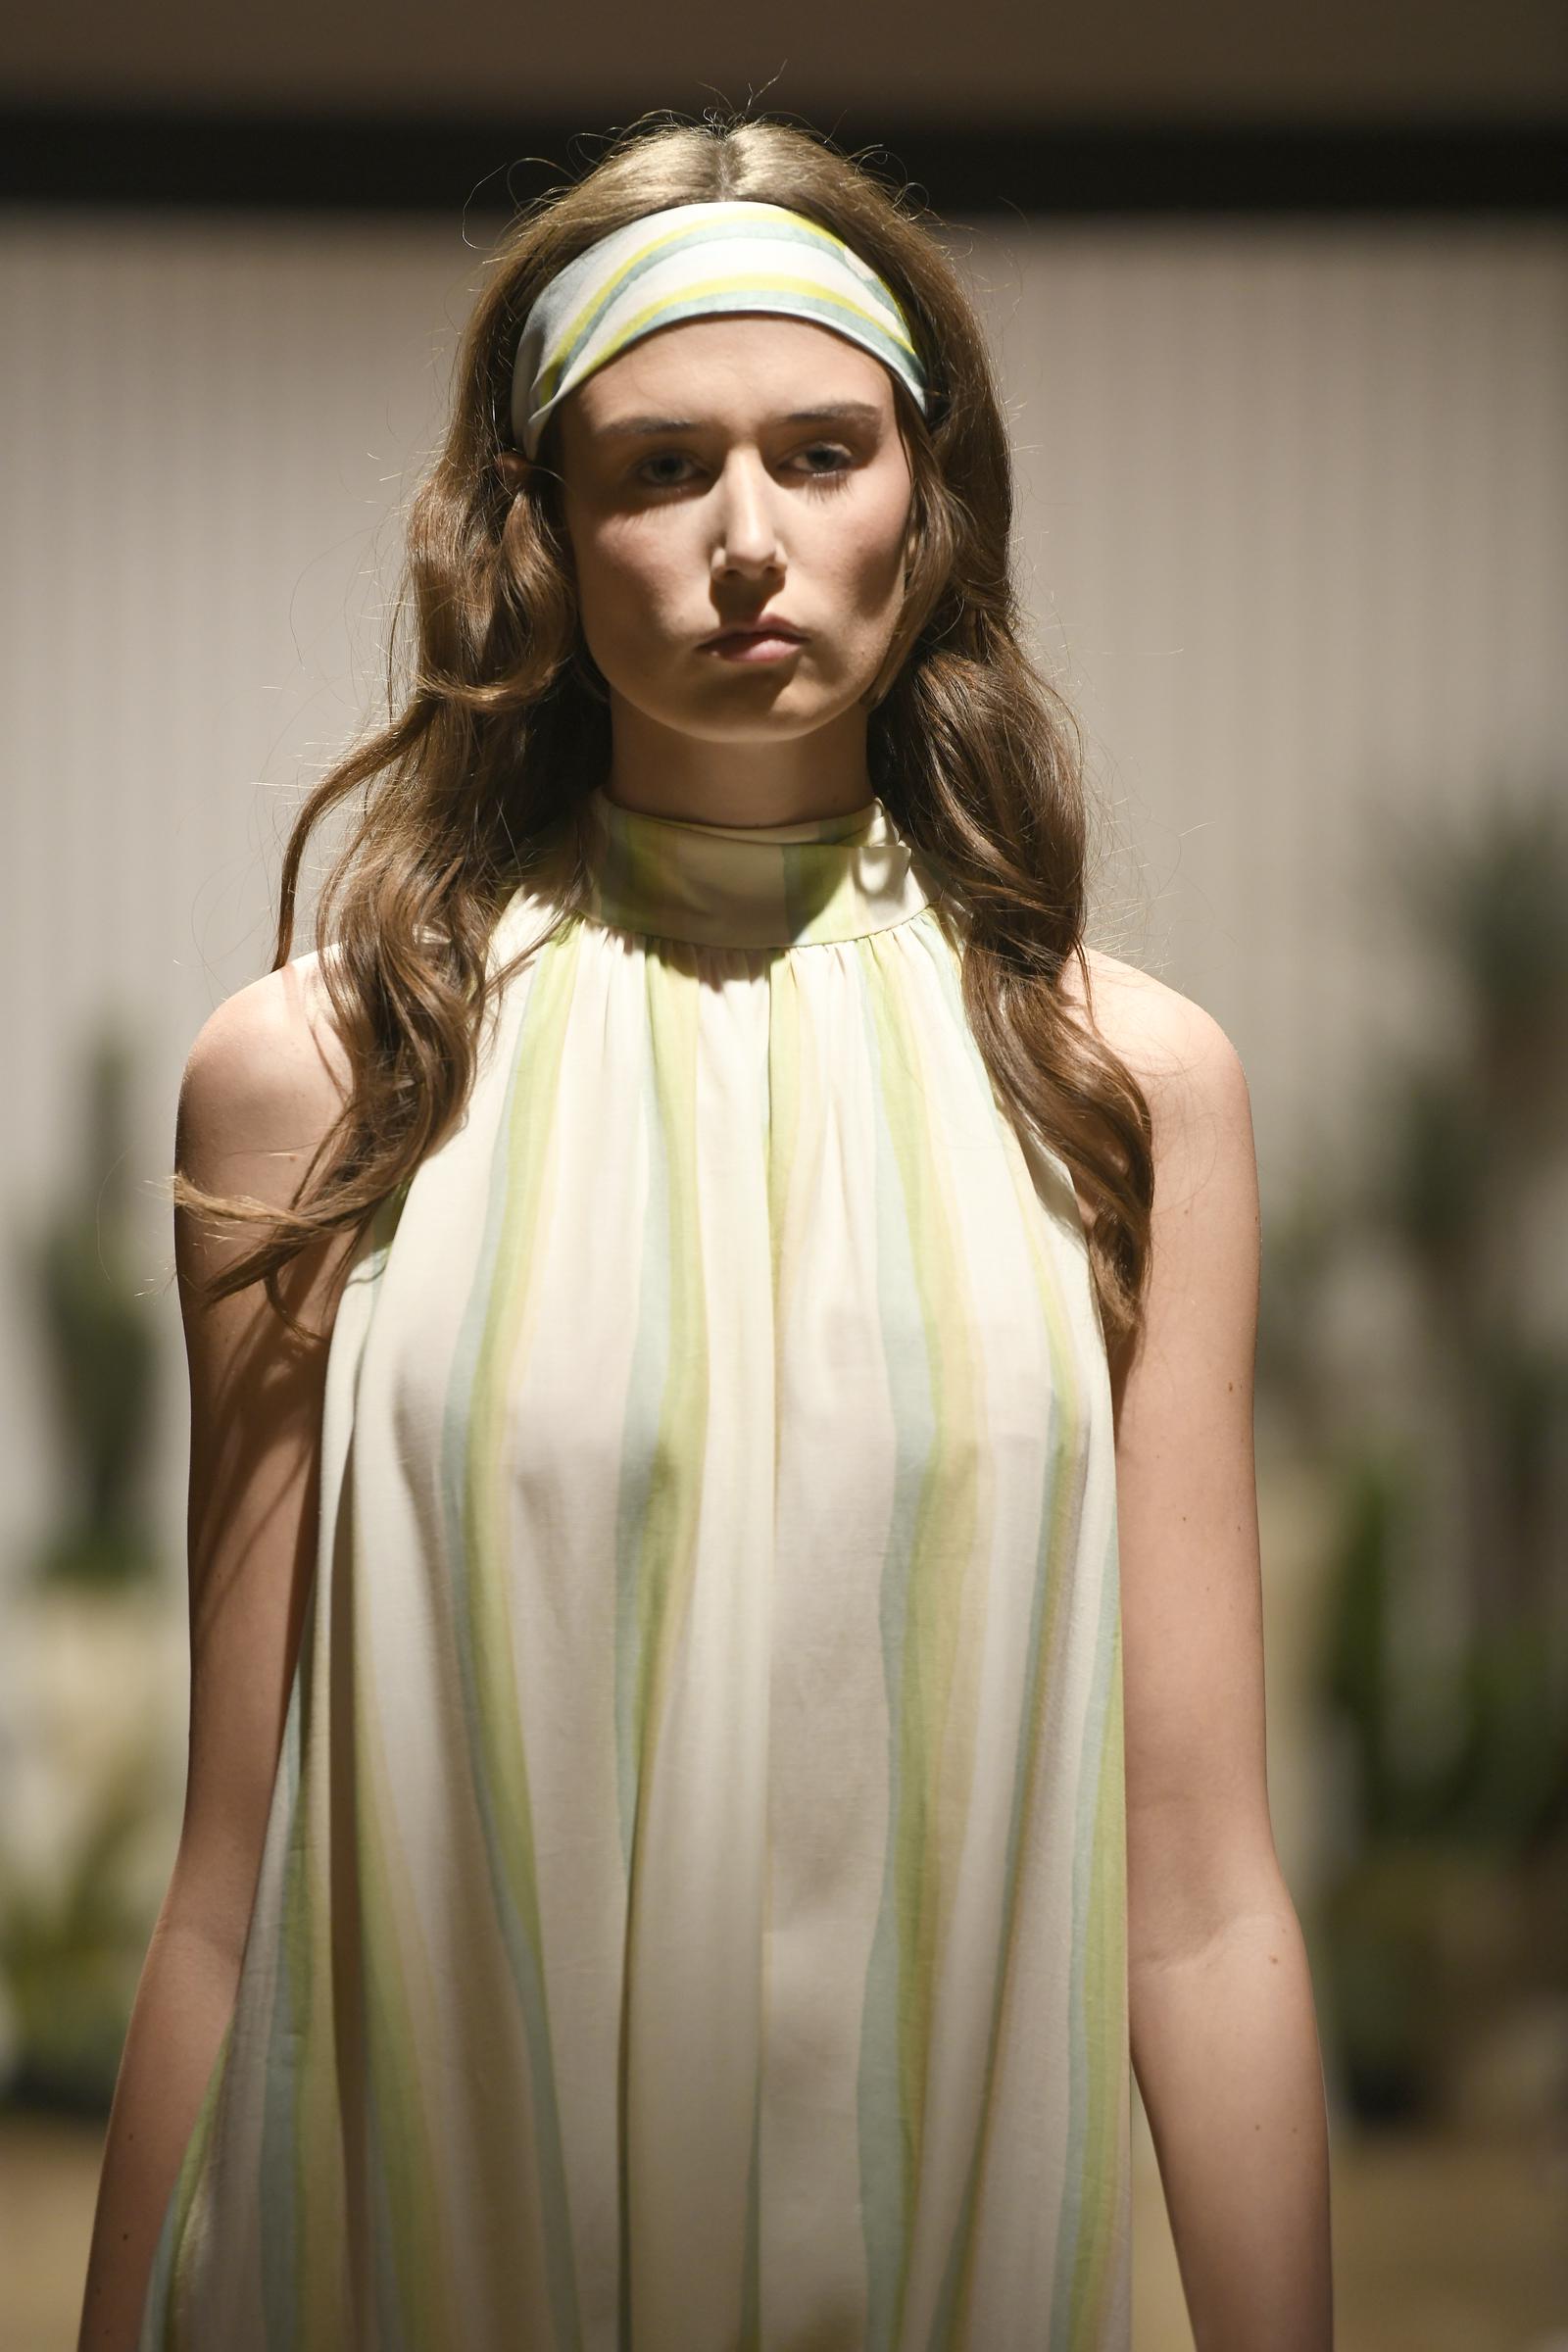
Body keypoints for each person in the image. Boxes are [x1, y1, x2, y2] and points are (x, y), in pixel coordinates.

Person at [77, 112, 1333, 2352]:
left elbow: (1200, 1894)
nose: (747, 540)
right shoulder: (326, 1076)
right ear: (537, 532)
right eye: (658, 469)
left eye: (822, 451)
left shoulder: (1121, 1088)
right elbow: (228, 1881)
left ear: (926, 509)